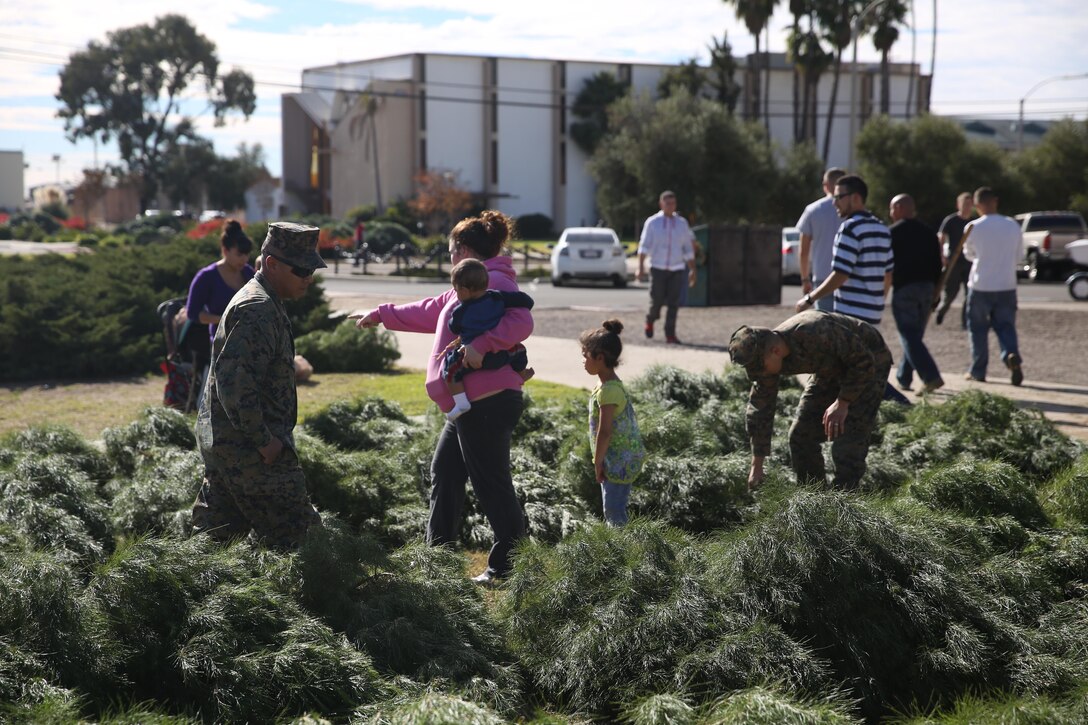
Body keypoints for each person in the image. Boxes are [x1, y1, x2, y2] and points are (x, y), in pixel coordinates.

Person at [351, 211, 532, 585]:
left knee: (491, 482)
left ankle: (511, 566)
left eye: (451, 251)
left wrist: (480, 344)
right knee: (446, 471)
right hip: (466, 403)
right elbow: (434, 310)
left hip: (488, 399)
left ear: (463, 249)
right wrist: (381, 314)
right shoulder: (468, 285)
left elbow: (521, 322)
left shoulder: (495, 280)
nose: (449, 258)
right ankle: (438, 560)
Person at [191, 222, 325, 549]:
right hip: (250, 450)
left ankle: (189, 592)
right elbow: (235, 385)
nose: (308, 277)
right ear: (272, 264)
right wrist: (265, 441)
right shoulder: (257, 309)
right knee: (304, 540)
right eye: (302, 269)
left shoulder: (266, 300)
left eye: (313, 269)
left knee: (215, 542)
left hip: (233, 444)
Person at [729, 310, 892, 491]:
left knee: (847, 444)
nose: (758, 374)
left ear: (775, 351)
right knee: (800, 436)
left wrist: (843, 402)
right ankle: (814, 498)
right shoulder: (768, 359)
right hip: (829, 369)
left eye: (759, 368)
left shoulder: (815, 331)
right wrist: (756, 467)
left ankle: (845, 502)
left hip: (869, 362)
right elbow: (760, 408)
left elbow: (863, 361)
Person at [795, 174, 907, 405]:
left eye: (838, 197)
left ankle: (901, 406)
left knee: (850, 370)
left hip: (851, 315)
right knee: (858, 368)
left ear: (855, 198)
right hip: (872, 312)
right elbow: (888, 273)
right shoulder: (881, 229)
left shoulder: (850, 228)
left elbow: (840, 274)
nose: (834, 203)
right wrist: (877, 300)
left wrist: (809, 297)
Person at [442, 258, 535, 422]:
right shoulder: (497, 297)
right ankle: (522, 373)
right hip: (502, 354)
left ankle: (461, 402)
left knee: (450, 367)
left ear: (463, 291)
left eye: (456, 290)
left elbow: (453, 327)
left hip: (472, 360)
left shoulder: (460, 311)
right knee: (520, 350)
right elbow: (527, 301)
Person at [580, 319, 646, 527]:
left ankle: (621, 550)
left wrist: (598, 462)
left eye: (585, 355)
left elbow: (605, 431)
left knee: (614, 512)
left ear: (600, 358)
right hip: (619, 457)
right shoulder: (607, 383)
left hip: (618, 461)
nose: (582, 361)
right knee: (613, 508)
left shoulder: (609, 391)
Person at [185, 220, 255, 409]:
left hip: (250, 338)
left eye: (247, 255)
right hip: (220, 340)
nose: (244, 260)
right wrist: (224, 319)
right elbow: (193, 313)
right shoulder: (206, 277)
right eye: (239, 254)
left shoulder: (249, 274)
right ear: (225, 250)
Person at [962, 187, 1024, 385]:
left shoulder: (973, 227)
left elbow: (969, 254)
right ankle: (1010, 355)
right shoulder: (1012, 225)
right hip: (1006, 283)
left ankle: (978, 370)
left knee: (978, 329)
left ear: (977, 205)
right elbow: (1019, 256)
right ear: (995, 201)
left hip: (981, 284)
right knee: (1006, 326)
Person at [888, 194, 944, 395]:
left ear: (901, 208)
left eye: (893, 208)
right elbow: (939, 264)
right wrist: (937, 291)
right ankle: (904, 377)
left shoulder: (892, 233)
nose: (891, 213)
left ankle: (931, 376)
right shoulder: (929, 233)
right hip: (928, 288)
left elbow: (887, 265)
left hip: (905, 289)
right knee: (914, 335)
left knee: (908, 334)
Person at [636, 190, 696, 344]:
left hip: (677, 268)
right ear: (661, 204)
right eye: (667, 203)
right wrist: (640, 267)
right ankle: (650, 319)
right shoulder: (652, 222)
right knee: (656, 301)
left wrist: (692, 270)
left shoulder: (682, 223)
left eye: (673, 203)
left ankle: (670, 334)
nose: (671, 206)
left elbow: (688, 249)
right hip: (658, 268)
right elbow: (644, 246)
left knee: (673, 303)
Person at [796, 167, 847, 311]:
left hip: (822, 276)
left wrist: (805, 278)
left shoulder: (813, 210)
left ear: (826, 186)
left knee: (826, 325)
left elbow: (804, 250)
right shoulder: (853, 210)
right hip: (849, 278)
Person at [935, 192, 974, 328]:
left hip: (970, 261)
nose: (967, 207)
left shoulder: (974, 222)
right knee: (950, 292)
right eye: (965, 204)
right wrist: (942, 256)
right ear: (958, 205)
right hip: (954, 261)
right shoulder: (951, 220)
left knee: (970, 293)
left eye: (970, 204)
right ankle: (941, 311)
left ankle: (966, 321)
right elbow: (941, 238)